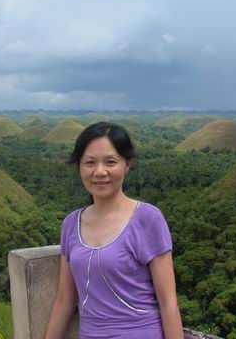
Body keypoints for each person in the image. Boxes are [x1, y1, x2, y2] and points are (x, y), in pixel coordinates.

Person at [45, 122, 183, 339]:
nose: (100, 172)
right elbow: (65, 299)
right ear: (79, 166)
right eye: (90, 162)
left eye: (110, 162)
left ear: (126, 164)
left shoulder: (147, 218)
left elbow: (168, 303)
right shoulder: (71, 223)